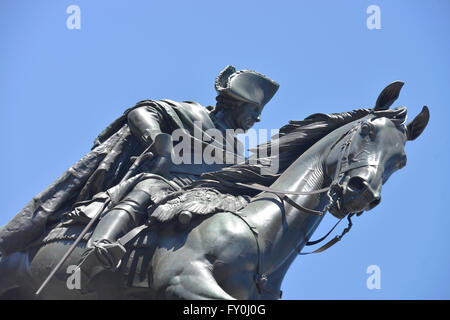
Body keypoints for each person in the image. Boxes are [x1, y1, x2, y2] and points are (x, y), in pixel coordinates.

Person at [0, 65, 279, 284]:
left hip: (201, 198)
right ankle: (98, 247)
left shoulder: (235, 150)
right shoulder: (192, 114)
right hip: (165, 183)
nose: (258, 119)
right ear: (237, 104)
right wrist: (157, 138)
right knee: (150, 185)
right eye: (255, 110)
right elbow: (143, 112)